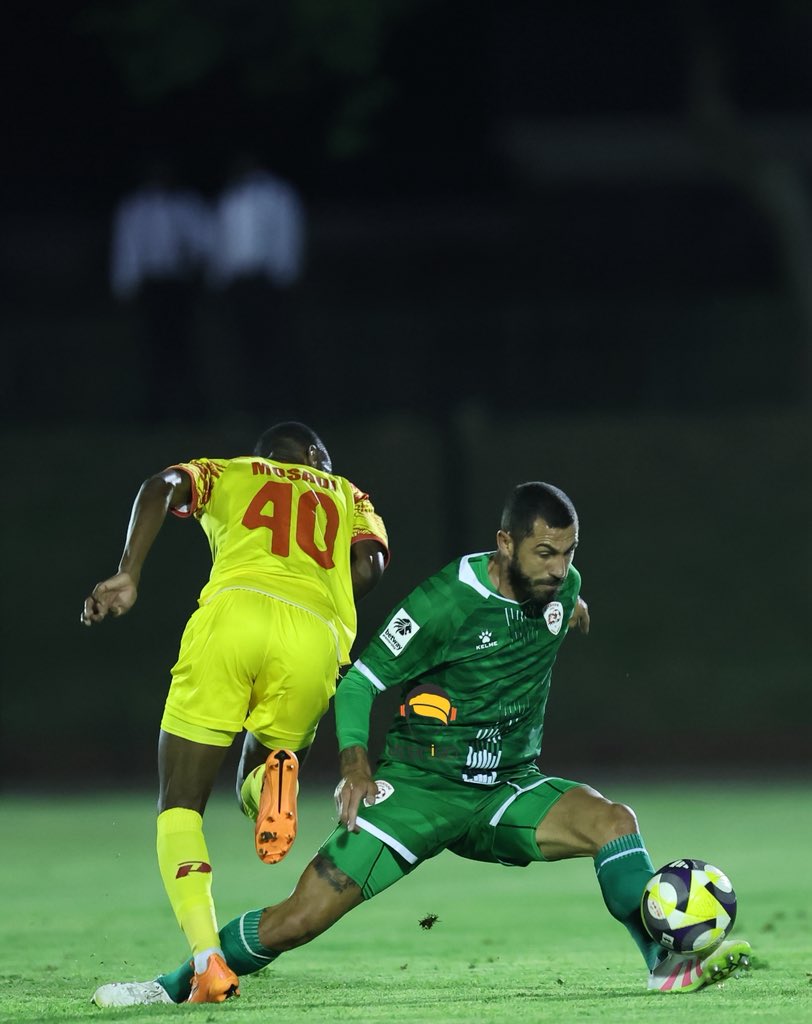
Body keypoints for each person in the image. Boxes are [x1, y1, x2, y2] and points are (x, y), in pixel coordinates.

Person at [91, 481, 750, 1007]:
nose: (558, 570)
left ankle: (665, 963)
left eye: (569, 554)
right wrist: (354, 762)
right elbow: (359, 684)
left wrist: (568, 603)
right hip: (416, 792)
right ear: (504, 544)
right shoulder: (444, 603)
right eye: (543, 554)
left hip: (506, 790)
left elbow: (557, 600)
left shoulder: (561, 587)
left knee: (614, 822)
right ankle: (174, 983)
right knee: (298, 920)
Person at [82, 420, 389, 1002]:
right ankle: (267, 784)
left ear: (265, 455)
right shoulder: (348, 493)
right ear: (317, 456)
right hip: (315, 636)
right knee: (267, 757)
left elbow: (162, 484)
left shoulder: (232, 472)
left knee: (179, 806)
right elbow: (370, 565)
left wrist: (129, 570)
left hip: (234, 615)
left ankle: (206, 961)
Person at [110, 158, 213, 420]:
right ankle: (153, 410)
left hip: (180, 284)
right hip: (151, 285)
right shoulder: (136, 206)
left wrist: (198, 266)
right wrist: (125, 285)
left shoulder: (188, 205)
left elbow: (204, 242)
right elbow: (127, 248)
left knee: (185, 347)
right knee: (152, 349)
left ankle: (192, 409)